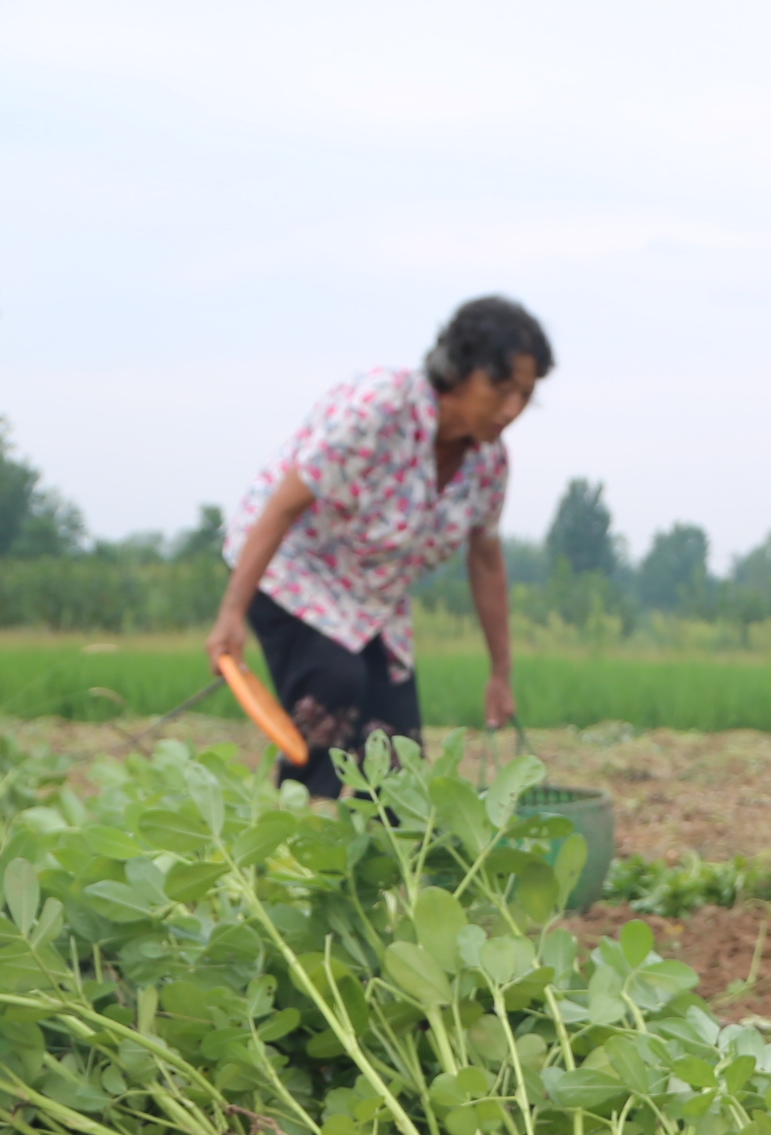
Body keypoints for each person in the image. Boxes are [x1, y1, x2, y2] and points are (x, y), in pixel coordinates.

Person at [211, 295, 549, 798]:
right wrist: (232, 612)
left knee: (396, 750)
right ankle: (299, 834)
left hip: (371, 599)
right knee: (333, 684)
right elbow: (284, 504)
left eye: (525, 395)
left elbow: (485, 561)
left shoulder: (489, 463)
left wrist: (501, 671)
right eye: (501, 390)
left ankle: (390, 865)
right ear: (457, 369)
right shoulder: (380, 408)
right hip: (293, 567)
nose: (512, 410)